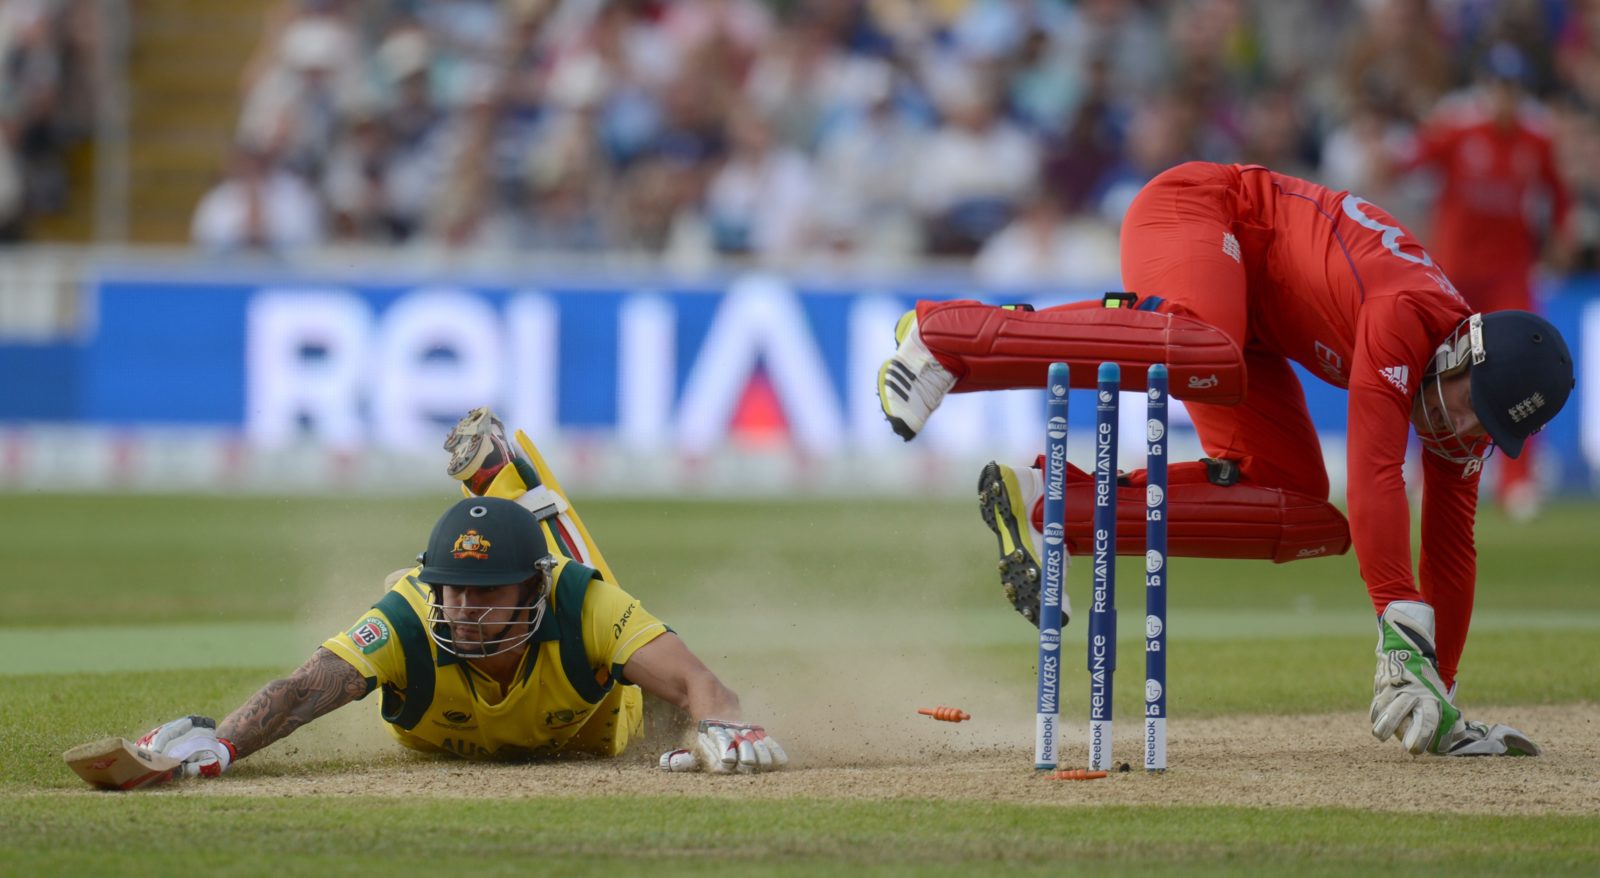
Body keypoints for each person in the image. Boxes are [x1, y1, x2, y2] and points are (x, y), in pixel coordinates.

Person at [877, 161, 1573, 758]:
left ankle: (1050, 501)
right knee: (1204, 343)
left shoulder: (1466, 416)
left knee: (1304, 513)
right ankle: (946, 335)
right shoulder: (1407, 314)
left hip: (1253, 330)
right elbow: (1377, 472)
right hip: (1204, 211)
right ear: (1462, 351)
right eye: (1466, 402)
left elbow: (1452, 551)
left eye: (1484, 426)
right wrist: (1396, 623)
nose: (1460, 427)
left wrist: (1437, 690)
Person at [134, 409, 788, 777]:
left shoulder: (578, 602)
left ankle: (515, 484)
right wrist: (219, 746)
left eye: (486, 593)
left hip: (602, 725)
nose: (465, 610)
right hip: (451, 719)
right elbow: (303, 689)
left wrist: (724, 728)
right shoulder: (411, 615)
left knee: (622, 635)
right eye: (454, 591)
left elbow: (700, 682)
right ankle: (503, 480)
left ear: (533, 588)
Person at [1387, 43, 1572, 520]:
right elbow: (1405, 163)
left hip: (1509, 274)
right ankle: (1420, 470)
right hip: (1456, 274)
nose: (1505, 97)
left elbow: (1560, 195)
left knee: (1522, 370)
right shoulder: (1458, 129)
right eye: (1498, 87)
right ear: (1486, 89)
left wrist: (1560, 239)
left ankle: (1516, 480)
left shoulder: (1536, 140)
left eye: (1513, 89)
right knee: (1434, 371)